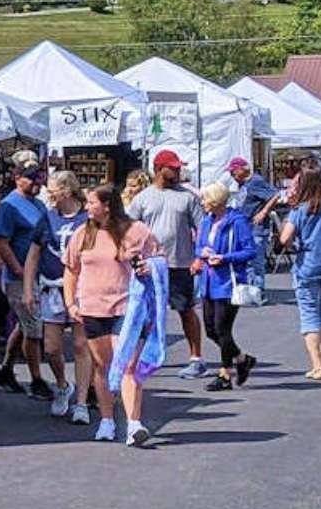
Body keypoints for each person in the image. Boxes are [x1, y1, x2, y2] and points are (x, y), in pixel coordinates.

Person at [63, 185, 163, 445]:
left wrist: (146, 268)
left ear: (107, 205)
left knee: (127, 363)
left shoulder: (136, 231)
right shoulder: (82, 234)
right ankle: (107, 421)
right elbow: (71, 270)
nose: (86, 208)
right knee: (103, 365)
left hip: (127, 308)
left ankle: (133, 424)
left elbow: (158, 259)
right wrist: (70, 303)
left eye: (91, 203)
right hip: (92, 308)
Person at [127, 150, 206, 379]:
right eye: (173, 167)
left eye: (179, 167)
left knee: (185, 310)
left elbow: (201, 228)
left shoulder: (187, 197)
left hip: (180, 263)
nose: (178, 170)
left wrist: (199, 257)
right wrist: (135, 259)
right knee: (146, 313)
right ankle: (145, 357)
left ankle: (196, 359)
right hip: (150, 266)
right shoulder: (142, 198)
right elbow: (130, 230)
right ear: (159, 169)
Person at [23, 170, 91, 420]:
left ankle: (82, 402)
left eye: (52, 191)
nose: (49, 196)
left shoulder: (87, 218)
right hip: (52, 287)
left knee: (81, 345)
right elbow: (33, 255)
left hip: (82, 290)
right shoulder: (47, 218)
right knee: (51, 347)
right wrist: (28, 289)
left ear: (66, 191)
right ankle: (62, 385)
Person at [278, 168, 321, 381]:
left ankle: (316, 366)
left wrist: (296, 244)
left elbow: (284, 238)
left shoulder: (300, 209)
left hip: (308, 266)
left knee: (310, 315)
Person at [0, 158, 50, 399]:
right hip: (19, 278)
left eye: (39, 178)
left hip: (40, 275)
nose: (37, 183)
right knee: (34, 327)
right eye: (31, 178)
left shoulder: (38, 204)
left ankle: (5, 368)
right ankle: (37, 379)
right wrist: (18, 270)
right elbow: (1, 243)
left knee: (25, 323)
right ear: (18, 178)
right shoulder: (9, 206)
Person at [193, 182, 258, 392]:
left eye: (205, 199)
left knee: (222, 329)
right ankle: (241, 358)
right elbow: (199, 245)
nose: (202, 203)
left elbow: (250, 250)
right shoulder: (206, 221)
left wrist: (225, 258)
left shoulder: (236, 222)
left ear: (215, 200)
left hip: (228, 282)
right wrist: (201, 254)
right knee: (211, 329)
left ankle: (225, 374)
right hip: (208, 281)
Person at [227, 157, 280, 294]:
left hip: (257, 229)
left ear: (242, 169)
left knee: (256, 262)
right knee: (248, 261)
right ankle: (250, 290)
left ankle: (258, 292)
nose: (232, 176)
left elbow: (274, 195)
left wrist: (263, 212)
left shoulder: (256, 181)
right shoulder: (243, 184)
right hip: (246, 227)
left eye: (233, 172)